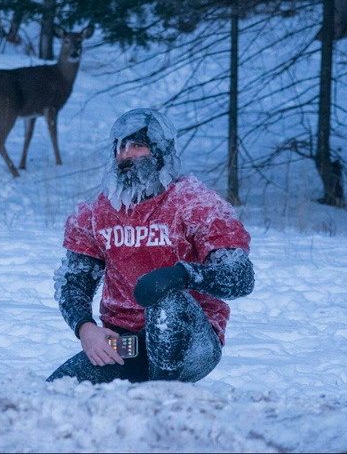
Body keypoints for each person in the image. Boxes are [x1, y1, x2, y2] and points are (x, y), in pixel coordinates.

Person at [47, 108, 254, 384]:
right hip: (129, 346)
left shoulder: (196, 204)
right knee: (58, 390)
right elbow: (72, 282)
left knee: (165, 299)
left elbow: (240, 276)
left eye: (137, 146)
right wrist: (85, 328)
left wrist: (182, 275)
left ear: (160, 152)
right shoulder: (96, 213)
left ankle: (160, 398)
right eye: (121, 148)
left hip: (194, 343)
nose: (127, 155)